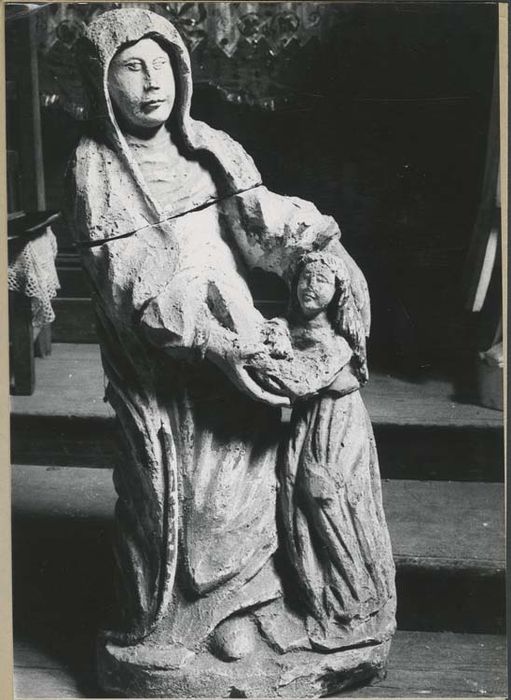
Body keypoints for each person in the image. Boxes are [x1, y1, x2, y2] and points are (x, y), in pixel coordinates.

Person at [65, 7, 381, 684]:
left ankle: (256, 604)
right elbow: (134, 283)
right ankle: (190, 620)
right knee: (193, 502)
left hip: (242, 345)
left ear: (182, 71)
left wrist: (312, 246)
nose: (152, 83)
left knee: (256, 479)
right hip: (169, 364)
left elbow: (261, 222)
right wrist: (210, 340)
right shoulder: (96, 168)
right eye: (131, 68)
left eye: (162, 66)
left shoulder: (210, 145)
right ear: (100, 81)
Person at [259, 252, 396, 652]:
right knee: (299, 500)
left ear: (338, 292)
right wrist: (278, 336)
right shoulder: (288, 326)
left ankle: (357, 599)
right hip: (309, 420)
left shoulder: (338, 341)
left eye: (321, 279)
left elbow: (313, 379)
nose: (310, 286)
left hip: (338, 420)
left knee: (324, 494)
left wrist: (278, 365)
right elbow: (282, 335)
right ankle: (323, 602)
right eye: (305, 277)